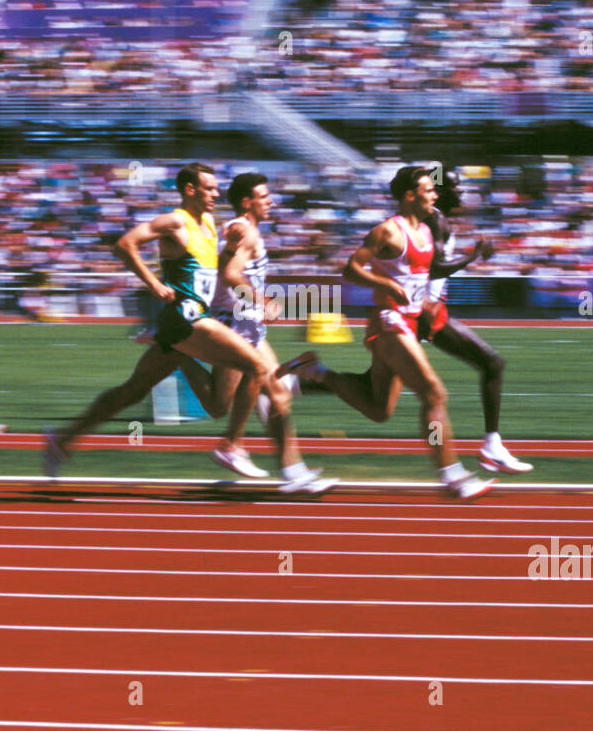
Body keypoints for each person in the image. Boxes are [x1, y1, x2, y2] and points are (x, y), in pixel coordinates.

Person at [43, 163, 332, 494]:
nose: (215, 194)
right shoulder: (175, 221)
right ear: (190, 190)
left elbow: (218, 270)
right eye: (208, 189)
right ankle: (233, 445)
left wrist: (229, 248)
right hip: (186, 318)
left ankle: (61, 440)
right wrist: (153, 283)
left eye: (215, 188)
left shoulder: (209, 224)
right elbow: (124, 244)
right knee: (255, 367)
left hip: (192, 321)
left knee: (133, 392)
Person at [293, 166, 495, 499]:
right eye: (428, 190)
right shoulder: (387, 231)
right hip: (389, 323)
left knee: (378, 409)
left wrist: (468, 261)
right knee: (434, 393)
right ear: (409, 195)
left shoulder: (428, 233)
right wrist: (385, 282)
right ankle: (451, 474)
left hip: (410, 324)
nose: (435, 194)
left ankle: (315, 372)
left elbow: (432, 271)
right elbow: (351, 269)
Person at [170, 172, 310, 479]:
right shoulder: (246, 231)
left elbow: (223, 266)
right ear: (247, 202)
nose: (271, 201)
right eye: (264, 196)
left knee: (277, 394)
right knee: (221, 405)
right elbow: (232, 274)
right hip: (234, 326)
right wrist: (262, 301)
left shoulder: (242, 230)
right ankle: (174, 350)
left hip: (248, 326)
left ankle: (293, 472)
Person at [415, 171, 531, 474]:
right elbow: (436, 268)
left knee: (376, 399)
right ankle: (487, 450)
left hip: (424, 313)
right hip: (423, 313)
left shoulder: (436, 219)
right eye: (456, 187)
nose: (462, 192)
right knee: (491, 362)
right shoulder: (437, 220)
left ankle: (299, 381)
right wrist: (475, 255)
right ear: (439, 192)